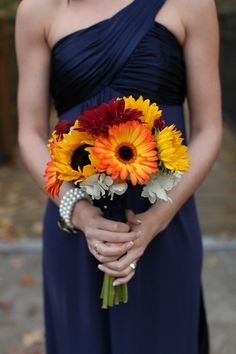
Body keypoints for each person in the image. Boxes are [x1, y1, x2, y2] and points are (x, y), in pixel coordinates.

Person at [15, 0, 222, 353]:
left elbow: (209, 129)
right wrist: (77, 211)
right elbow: (30, 133)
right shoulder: (38, 9)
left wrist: (155, 221)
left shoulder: (192, 4)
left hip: (165, 219)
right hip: (75, 221)